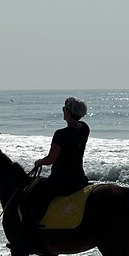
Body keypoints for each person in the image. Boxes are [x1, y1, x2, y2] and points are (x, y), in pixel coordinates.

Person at [22, 97, 90, 227]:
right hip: (79, 178)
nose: (63, 111)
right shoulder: (85, 129)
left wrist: (39, 162)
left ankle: (31, 228)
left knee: (33, 196)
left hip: (61, 180)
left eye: (64, 108)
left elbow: (51, 159)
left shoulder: (60, 134)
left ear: (69, 112)